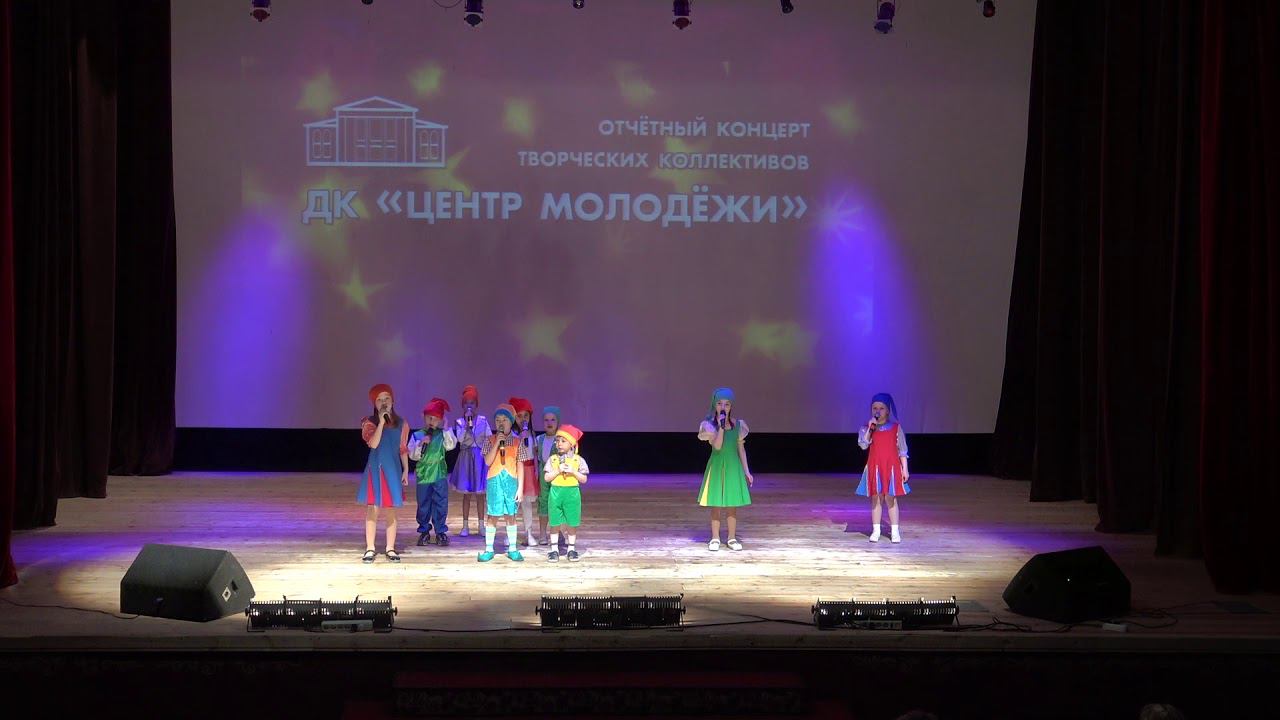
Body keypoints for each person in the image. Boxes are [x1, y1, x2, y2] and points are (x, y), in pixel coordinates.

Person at [696, 387, 754, 551]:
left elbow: (741, 450)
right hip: (716, 467)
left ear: (731, 406)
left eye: (727, 404)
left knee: (731, 504)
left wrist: (747, 471)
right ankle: (715, 538)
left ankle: (731, 538)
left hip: (733, 467)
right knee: (716, 504)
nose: (723, 407)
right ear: (715, 405)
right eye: (719, 403)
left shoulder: (738, 426)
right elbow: (718, 446)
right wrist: (721, 427)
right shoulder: (710, 426)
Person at [358, 384, 410, 563]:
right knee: (372, 509)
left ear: (393, 401)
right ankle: (370, 547)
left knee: (390, 509)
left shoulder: (402, 424)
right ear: (374, 403)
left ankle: (390, 548)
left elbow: (403, 448)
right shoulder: (369, 423)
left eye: (386, 398)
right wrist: (381, 422)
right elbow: (373, 443)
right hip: (375, 469)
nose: (383, 402)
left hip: (392, 470)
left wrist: (406, 470)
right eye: (379, 399)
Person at [856, 392, 910, 543]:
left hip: (891, 467)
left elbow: (902, 450)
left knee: (890, 498)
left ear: (887, 411)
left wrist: (905, 469)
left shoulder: (896, 428)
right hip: (875, 467)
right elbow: (863, 445)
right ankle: (876, 530)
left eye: (881, 408)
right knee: (876, 498)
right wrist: (870, 428)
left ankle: (895, 531)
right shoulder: (867, 428)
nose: (877, 411)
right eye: (875, 408)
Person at [408, 397, 457, 546]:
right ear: (423, 416)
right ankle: (424, 531)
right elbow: (412, 455)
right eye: (429, 417)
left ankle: (440, 531)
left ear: (440, 420)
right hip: (424, 474)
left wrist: (447, 428)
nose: (432, 421)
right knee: (423, 503)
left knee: (441, 502)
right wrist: (421, 444)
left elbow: (451, 446)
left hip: (439, 473)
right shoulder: (417, 435)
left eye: (436, 418)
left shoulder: (442, 434)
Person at [542, 424, 588, 562]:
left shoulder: (578, 460)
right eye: (557, 441)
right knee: (554, 522)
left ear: (572, 443)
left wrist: (573, 471)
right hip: (556, 493)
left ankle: (571, 549)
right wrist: (558, 470)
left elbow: (584, 479)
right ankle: (554, 549)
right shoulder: (553, 459)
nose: (559, 444)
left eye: (563, 441)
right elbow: (546, 478)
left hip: (572, 494)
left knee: (572, 522)